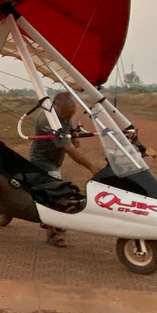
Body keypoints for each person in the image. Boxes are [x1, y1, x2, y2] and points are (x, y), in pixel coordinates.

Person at [29, 91, 102, 247]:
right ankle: (51, 232)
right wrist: (90, 166)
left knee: (54, 190)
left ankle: (51, 221)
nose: (70, 116)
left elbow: (68, 126)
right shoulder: (48, 120)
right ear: (57, 109)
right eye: (68, 113)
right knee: (53, 194)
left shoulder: (63, 114)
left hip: (54, 159)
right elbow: (69, 150)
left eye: (72, 113)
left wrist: (73, 134)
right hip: (42, 160)